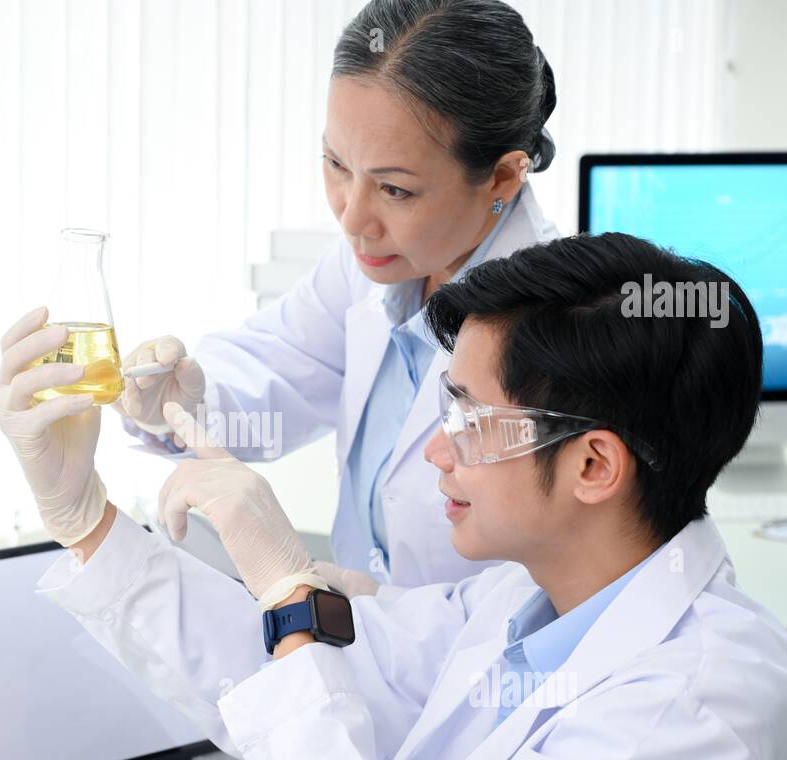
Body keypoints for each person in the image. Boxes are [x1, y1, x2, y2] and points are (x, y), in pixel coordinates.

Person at [0, 231, 787, 760]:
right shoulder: (527, 604)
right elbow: (328, 678)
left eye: (466, 419)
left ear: (591, 463)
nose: (436, 449)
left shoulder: (692, 715)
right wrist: (86, 519)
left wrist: (288, 587)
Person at [114, 0, 560, 593]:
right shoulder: (376, 266)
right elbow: (276, 369)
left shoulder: (557, 328)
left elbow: (547, 596)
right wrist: (180, 407)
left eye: (396, 189)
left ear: (503, 177)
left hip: (476, 671)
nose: (353, 219)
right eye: (335, 163)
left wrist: (377, 616)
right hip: (358, 649)